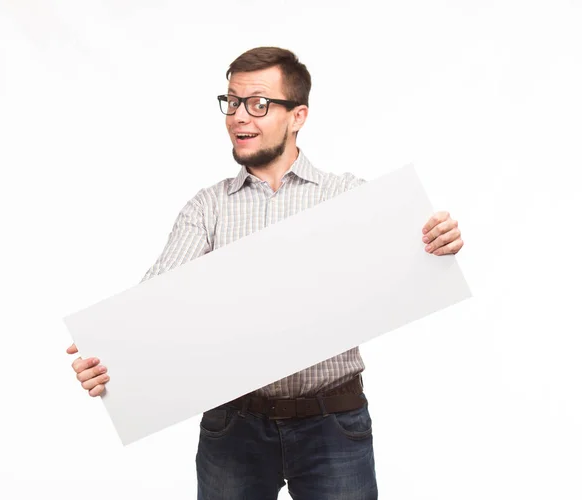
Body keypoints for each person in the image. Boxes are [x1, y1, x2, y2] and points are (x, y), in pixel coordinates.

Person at [67, 47, 464, 500]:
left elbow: (415, 250)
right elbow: (155, 299)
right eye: (232, 102)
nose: (238, 117)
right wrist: (111, 355)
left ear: (298, 116)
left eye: (257, 103)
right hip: (234, 426)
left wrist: (440, 241)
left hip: (333, 421)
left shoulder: (349, 197)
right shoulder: (208, 208)